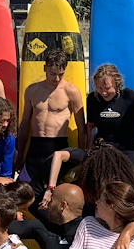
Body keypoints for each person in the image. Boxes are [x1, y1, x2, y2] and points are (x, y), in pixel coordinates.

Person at [19, 49, 86, 199]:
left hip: (58, 145)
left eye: (60, 74)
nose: (56, 78)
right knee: (27, 191)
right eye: (52, 73)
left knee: (55, 192)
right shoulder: (32, 90)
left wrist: (83, 155)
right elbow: (24, 124)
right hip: (35, 146)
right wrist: (19, 154)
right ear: (45, 68)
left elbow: (82, 128)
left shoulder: (71, 91)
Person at [86, 62, 134, 175]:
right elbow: (90, 126)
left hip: (126, 152)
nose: (103, 92)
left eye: (107, 88)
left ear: (117, 83)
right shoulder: (92, 98)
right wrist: (88, 150)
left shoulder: (130, 97)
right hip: (102, 151)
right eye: (99, 88)